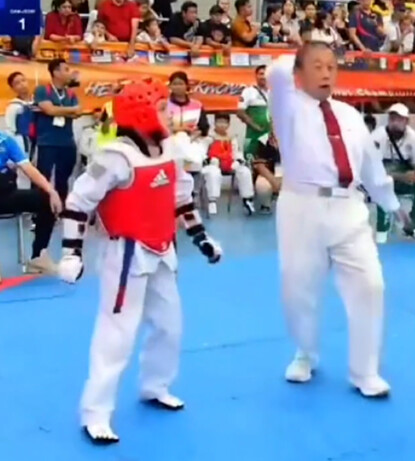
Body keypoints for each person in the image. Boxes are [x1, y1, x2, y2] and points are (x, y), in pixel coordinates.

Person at [56, 79, 223, 444]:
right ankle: (96, 413)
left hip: (163, 249)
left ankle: (155, 386)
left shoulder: (171, 149)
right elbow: (78, 202)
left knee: (169, 326)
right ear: (142, 113)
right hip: (126, 253)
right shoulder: (114, 157)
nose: (169, 115)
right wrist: (71, 252)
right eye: (162, 109)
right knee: (116, 334)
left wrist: (201, 237)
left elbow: (181, 199)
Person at [267, 41, 411, 398]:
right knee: (299, 290)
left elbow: (370, 167)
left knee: (371, 285)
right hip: (302, 206)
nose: (326, 73)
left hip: (349, 206)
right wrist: (303, 50)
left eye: (331, 66)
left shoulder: (349, 115)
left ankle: (365, 371)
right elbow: (275, 73)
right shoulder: (287, 109)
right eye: (317, 66)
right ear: (299, 73)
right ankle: (305, 352)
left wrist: (391, 204)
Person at [0, 132, 63, 281]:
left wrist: (51, 191)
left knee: (46, 200)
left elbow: (28, 168)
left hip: (5, 194)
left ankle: (38, 257)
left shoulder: (5, 141)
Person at [369, 103, 415, 243]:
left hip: (403, 170)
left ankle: (411, 226)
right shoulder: (378, 137)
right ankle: (382, 229)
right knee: (383, 184)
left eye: (399, 119)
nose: (395, 123)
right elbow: (373, 169)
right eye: (392, 119)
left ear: (406, 121)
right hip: (381, 174)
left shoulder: (414, 138)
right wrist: (402, 177)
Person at [34, 58, 82, 202]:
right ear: (56, 72)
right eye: (66, 69)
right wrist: (69, 110)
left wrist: (57, 110)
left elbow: (78, 112)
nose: (69, 73)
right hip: (47, 142)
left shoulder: (71, 93)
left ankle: (61, 208)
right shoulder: (42, 90)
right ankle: (40, 208)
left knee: (63, 179)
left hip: (67, 142)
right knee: (43, 179)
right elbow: (49, 110)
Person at [201, 113, 255, 215]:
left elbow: (237, 152)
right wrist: (209, 160)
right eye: (219, 122)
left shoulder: (232, 138)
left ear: (228, 124)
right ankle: (212, 201)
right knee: (213, 173)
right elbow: (202, 153)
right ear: (214, 123)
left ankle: (247, 199)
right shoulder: (209, 137)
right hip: (214, 164)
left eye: (225, 122)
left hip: (229, 163)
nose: (222, 125)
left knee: (245, 171)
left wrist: (238, 161)